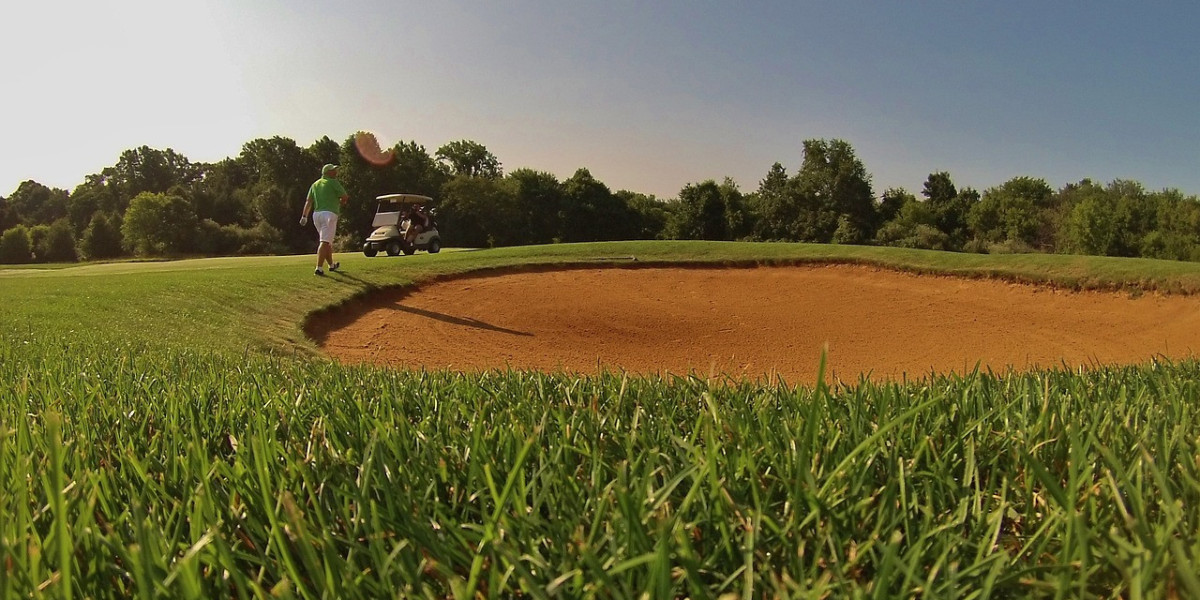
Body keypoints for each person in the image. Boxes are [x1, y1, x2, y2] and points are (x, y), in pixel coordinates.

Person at [300, 164, 348, 276]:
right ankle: (319, 268)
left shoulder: (315, 184)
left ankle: (331, 265)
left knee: (327, 242)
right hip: (329, 214)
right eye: (333, 171)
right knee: (325, 242)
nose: (336, 172)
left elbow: (309, 202)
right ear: (327, 173)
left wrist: (304, 216)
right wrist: (341, 202)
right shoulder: (332, 182)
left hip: (316, 215)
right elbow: (345, 196)